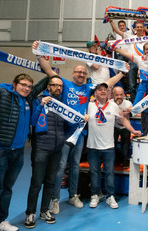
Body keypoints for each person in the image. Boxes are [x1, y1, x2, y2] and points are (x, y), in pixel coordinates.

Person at [32, 40, 125, 214]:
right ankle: (55, 199)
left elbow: (108, 83)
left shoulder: (89, 88)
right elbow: (49, 71)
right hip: (63, 133)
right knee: (60, 167)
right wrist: (39, 54)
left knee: (75, 166)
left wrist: (122, 72)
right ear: (73, 73)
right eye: (78, 72)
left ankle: (73, 195)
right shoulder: (65, 84)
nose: (81, 74)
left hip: (80, 134)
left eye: (83, 72)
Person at [0, 73, 48, 231]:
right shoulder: (3, 93)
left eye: (29, 86)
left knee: (7, 187)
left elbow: (40, 86)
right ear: (14, 84)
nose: (27, 88)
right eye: (23, 85)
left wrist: (51, 73)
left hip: (18, 151)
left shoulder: (28, 99)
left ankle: (2, 220)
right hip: (2, 149)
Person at [86, 83, 141, 209]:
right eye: (100, 90)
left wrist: (133, 130)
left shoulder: (113, 106)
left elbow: (123, 120)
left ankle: (110, 196)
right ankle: (95, 195)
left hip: (108, 146)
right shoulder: (89, 105)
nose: (103, 91)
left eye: (105, 89)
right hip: (92, 146)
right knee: (94, 172)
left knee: (109, 172)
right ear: (95, 93)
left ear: (108, 93)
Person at [24, 76, 65, 229]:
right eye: (55, 85)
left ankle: (44, 211)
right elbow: (33, 122)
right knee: (36, 183)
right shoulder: (37, 101)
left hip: (57, 149)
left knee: (50, 182)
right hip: (41, 147)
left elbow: (68, 123)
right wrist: (41, 105)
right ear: (48, 87)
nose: (58, 88)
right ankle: (30, 213)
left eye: (60, 86)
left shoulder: (62, 105)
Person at [111, 86, 133, 169]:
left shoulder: (128, 103)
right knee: (112, 142)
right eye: (117, 95)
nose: (119, 97)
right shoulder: (110, 103)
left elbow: (130, 108)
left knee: (126, 142)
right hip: (113, 126)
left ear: (124, 95)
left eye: (121, 95)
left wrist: (129, 110)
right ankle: (115, 159)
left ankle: (125, 160)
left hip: (125, 126)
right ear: (113, 95)